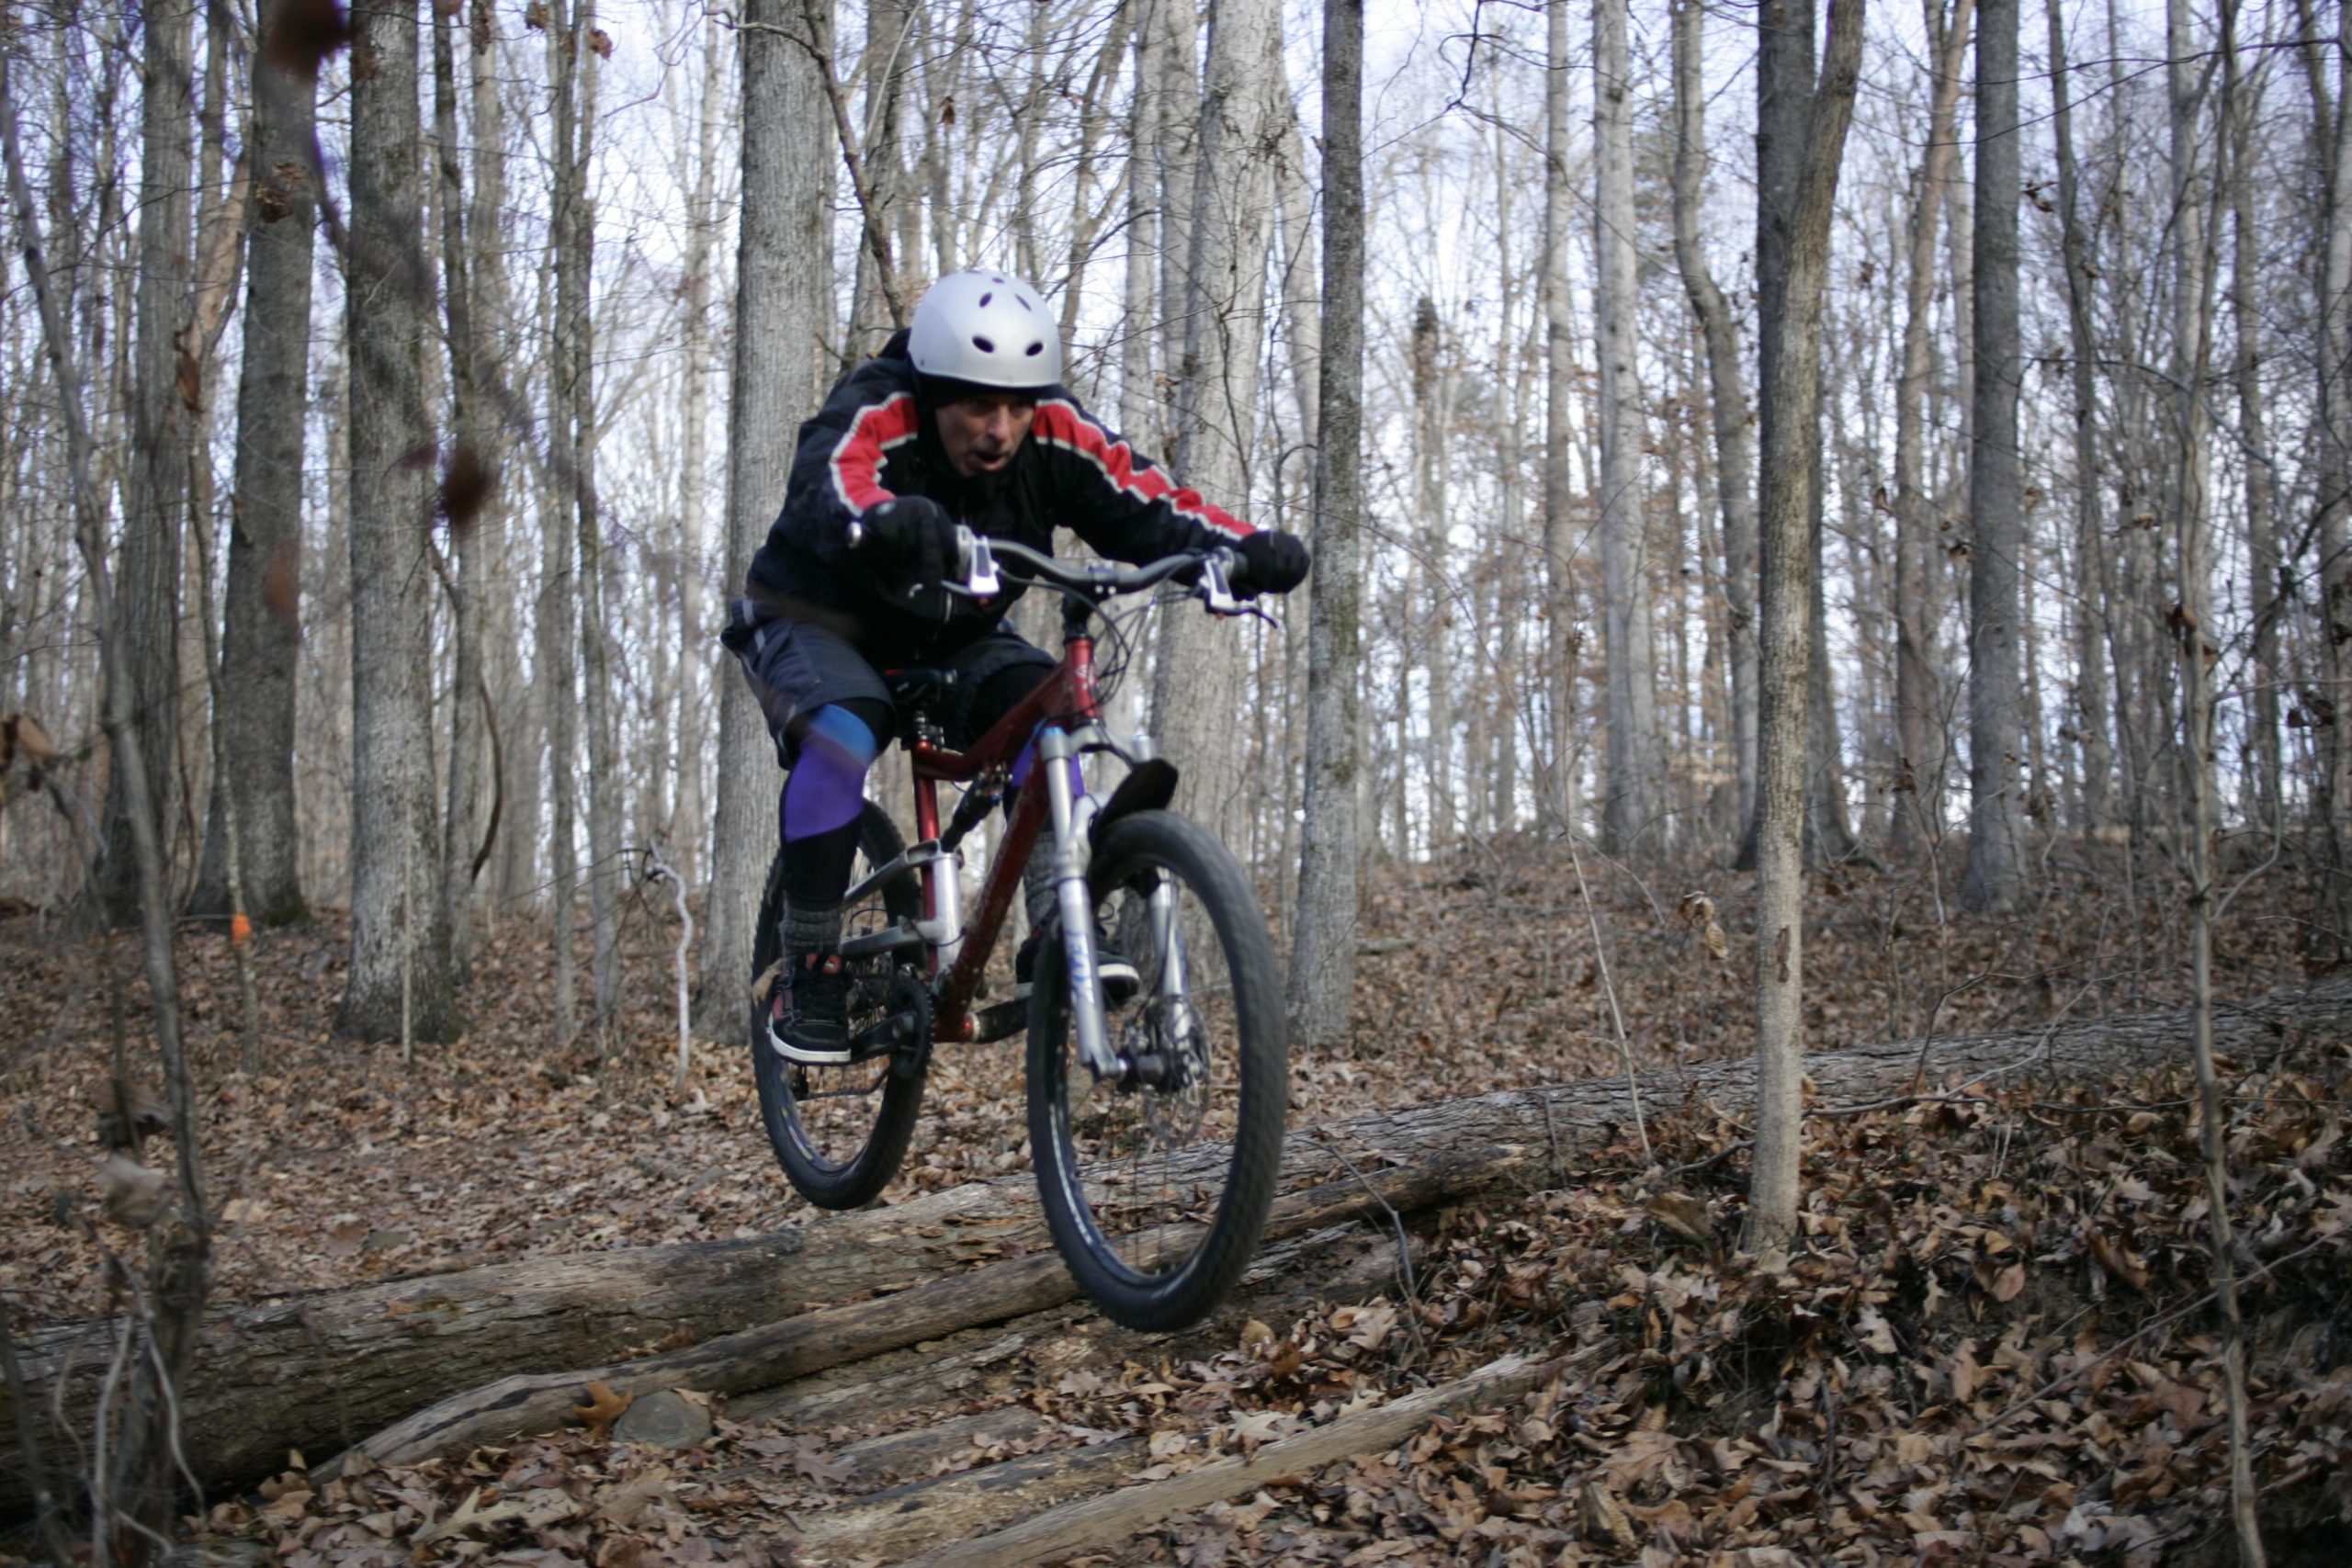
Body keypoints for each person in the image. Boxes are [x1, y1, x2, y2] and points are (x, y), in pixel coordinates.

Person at [725, 268, 1310, 1065]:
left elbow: (1146, 500)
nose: (1000, 429)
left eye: (1016, 406)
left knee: (1049, 710)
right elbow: (833, 480)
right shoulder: (879, 407)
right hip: (815, 616)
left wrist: (1238, 547)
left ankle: (1057, 925)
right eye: (976, 407)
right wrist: (887, 518)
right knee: (844, 730)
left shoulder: (1054, 431)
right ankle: (810, 965)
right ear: (933, 393)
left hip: (952, 635)